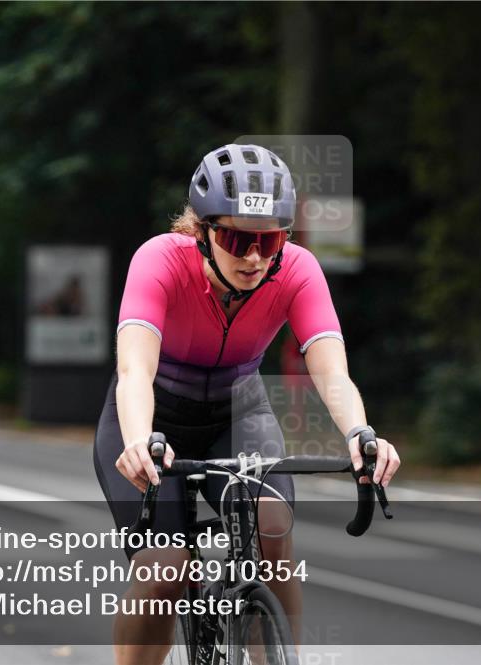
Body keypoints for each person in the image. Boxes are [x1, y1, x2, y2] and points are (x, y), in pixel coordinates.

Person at [92, 143, 400, 665]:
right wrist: (140, 439)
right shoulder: (160, 260)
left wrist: (360, 434)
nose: (255, 257)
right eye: (237, 239)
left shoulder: (297, 271)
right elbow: (134, 371)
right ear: (203, 231)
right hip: (155, 418)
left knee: (274, 530)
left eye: (270, 239)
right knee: (166, 568)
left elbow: (332, 372)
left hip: (238, 413)